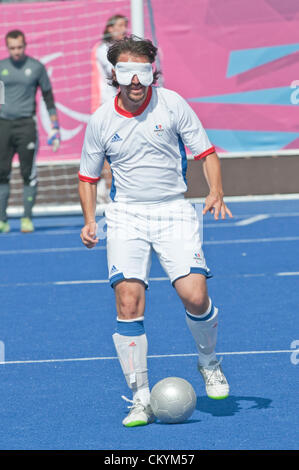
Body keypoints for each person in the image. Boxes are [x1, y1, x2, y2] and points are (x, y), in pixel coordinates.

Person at [79, 36, 233, 427]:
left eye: (143, 71)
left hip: (173, 212)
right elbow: (87, 176)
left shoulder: (173, 103)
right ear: (115, 74)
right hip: (127, 215)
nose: (136, 80)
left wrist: (215, 190)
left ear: (152, 72)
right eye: (127, 71)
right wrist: (89, 218)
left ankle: (208, 362)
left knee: (195, 297)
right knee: (128, 302)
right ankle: (140, 397)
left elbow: (206, 153)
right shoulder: (100, 120)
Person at [0, 29, 60, 233]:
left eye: (19, 47)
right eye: (12, 48)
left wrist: (55, 126)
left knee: (28, 173)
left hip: (26, 125)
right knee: (2, 173)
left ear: (25, 46)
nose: (16, 51)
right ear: (7, 47)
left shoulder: (36, 67)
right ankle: (2, 220)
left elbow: (48, 97)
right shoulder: (1, 68)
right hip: (3, 125)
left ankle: (26, 218)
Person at [91, 15, 128, 209]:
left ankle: (119, 188)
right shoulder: (102, 49)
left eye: (125, 26)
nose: (123, 29)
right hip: (105, 106)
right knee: (108, 149)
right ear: (110, 28)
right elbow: (114, 72)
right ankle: (106, 188)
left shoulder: (126, 48)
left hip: (124, 106)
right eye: (120, 26)